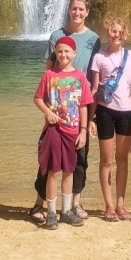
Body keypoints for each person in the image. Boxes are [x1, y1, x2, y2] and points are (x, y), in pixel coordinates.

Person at [30, 0, 100, 222]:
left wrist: (88, 120)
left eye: (81, 9)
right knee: (49, 161)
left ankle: (73, 206)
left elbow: (95, 72)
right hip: (56, 109)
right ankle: (40, 204)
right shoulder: (56, 35)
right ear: (69, 10)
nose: (77, 12)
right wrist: (48, 111)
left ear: (87, 12)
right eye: (74, 8)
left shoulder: (94, 39)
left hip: (79, 105)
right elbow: (48, 71)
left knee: (78, 159)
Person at [33, 36, 94, 230]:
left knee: (69, 171)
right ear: (55, 53)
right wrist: (48, 112)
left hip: (73, 130)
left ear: (74, 53)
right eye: (59, 51)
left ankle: (66, 211)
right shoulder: (49, 75)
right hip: (54, 130)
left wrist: (83, 131)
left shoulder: (80, 77)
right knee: (53, 171)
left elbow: (84, 106)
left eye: (67, 51)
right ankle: (51, 212)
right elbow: (37, 98)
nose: (63, 54)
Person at [89, 17, 131, 221]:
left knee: (122, 160)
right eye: (113, 31)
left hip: (126, 112)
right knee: (107, 160)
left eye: (120, 32)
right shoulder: (99, 58)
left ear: (125, 34)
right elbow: (94, 89)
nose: (116, 35)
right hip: (105, 112)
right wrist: (90, 119)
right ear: (107, 33)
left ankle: (121, 205)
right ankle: (109, 206)